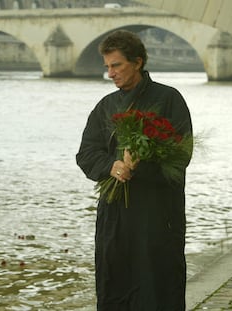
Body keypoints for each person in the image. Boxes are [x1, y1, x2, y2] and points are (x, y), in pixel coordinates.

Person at [76, 30, 193, 310]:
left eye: (116, 65)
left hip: (157, 215)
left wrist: (138, 168)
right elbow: (86, 154)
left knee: (158, 286)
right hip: (114, 216)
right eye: (107, 67)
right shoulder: (105, 106)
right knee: (114, 283)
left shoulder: (169, 99)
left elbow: (181, 157)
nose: (110, 74)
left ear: (137, 62)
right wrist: (112, 166)